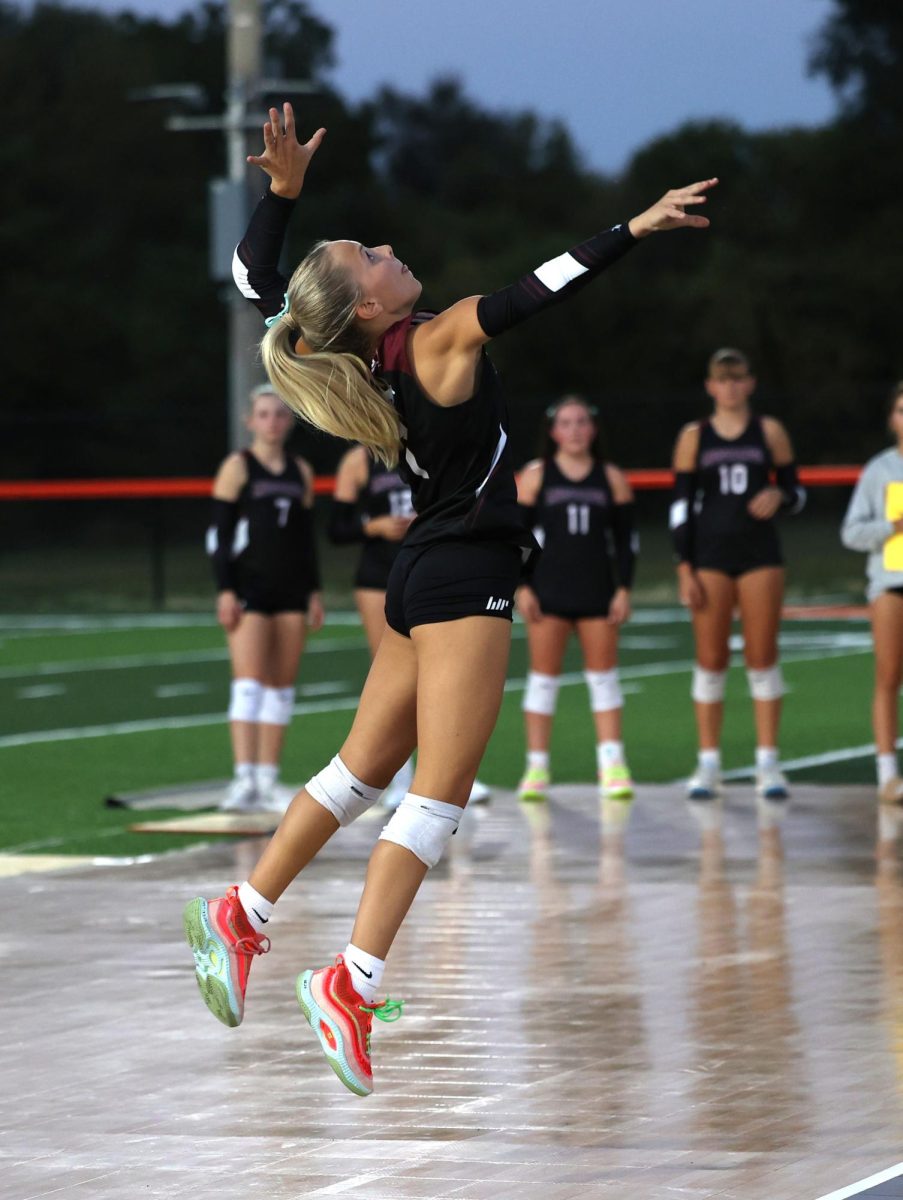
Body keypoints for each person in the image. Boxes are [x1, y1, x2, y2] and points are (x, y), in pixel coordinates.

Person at [185, 102, 715, 1096]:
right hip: (463, 575)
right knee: (436, 800)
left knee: (356, 776)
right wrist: (633, 229)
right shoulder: (431, 341)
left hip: (424, 574)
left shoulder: (347, 351)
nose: (388, 249)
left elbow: (260, 285)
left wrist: (285, 196)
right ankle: (350, 979)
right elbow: (535, 290)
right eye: (371, 253)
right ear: (374, 303)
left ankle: (242, 912)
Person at [670, 347, 805, 807]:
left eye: (738, 378)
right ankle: (709, 760)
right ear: (710, 386)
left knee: (762, 654)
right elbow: (680, 506)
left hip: (760, 555)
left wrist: (779, 496)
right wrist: (684, 565)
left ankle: (768, 759)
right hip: (709, 555)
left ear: (750, 383)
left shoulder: (769, 431)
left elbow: (797, 491)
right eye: (721, 379)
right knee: (710, 658)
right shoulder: (695, 436)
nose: (729, 387)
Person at [328, 448, 491, 807]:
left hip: (429, 568)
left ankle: (449, 775)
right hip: (378, 576)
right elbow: (336, 529)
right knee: (392, 677)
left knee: (443, 673)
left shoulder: (426, 447)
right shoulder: (357, 461)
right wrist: (375, 526)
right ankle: (398, 779)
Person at [207, 383, 325, 812]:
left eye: (279, 414)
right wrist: (225, 589)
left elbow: (305, 539)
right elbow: (218, 538)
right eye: (264, 414)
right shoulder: (238, 468)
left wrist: (313, 591)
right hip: (249, 589)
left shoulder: (300, 471)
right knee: (249, 684)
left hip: (291, 589)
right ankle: (244, 778)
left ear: (289, 421)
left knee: (280, 686)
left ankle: (269, 777)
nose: (272, 422)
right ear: (250, 421)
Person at [515, 396, 638, 804]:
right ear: (552, 432)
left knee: (603, 678)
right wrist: (522, 586)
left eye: (581, 422)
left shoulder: (611, 477)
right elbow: (517, 538)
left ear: (593, 429)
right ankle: (536, 767)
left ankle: (612, 765)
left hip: (597, 590)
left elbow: (626, 542)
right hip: (548, 591)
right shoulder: (535, 477)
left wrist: (624, 588)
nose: (574, 430)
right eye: (565, 423)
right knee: (543, 679)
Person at [840, 382, 903, 830]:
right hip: (892, 584)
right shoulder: (879, 470)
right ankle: (887, 774)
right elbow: (851, 531)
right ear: (891, 418)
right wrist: (890, 525)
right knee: (888, 676)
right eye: (902, 409)